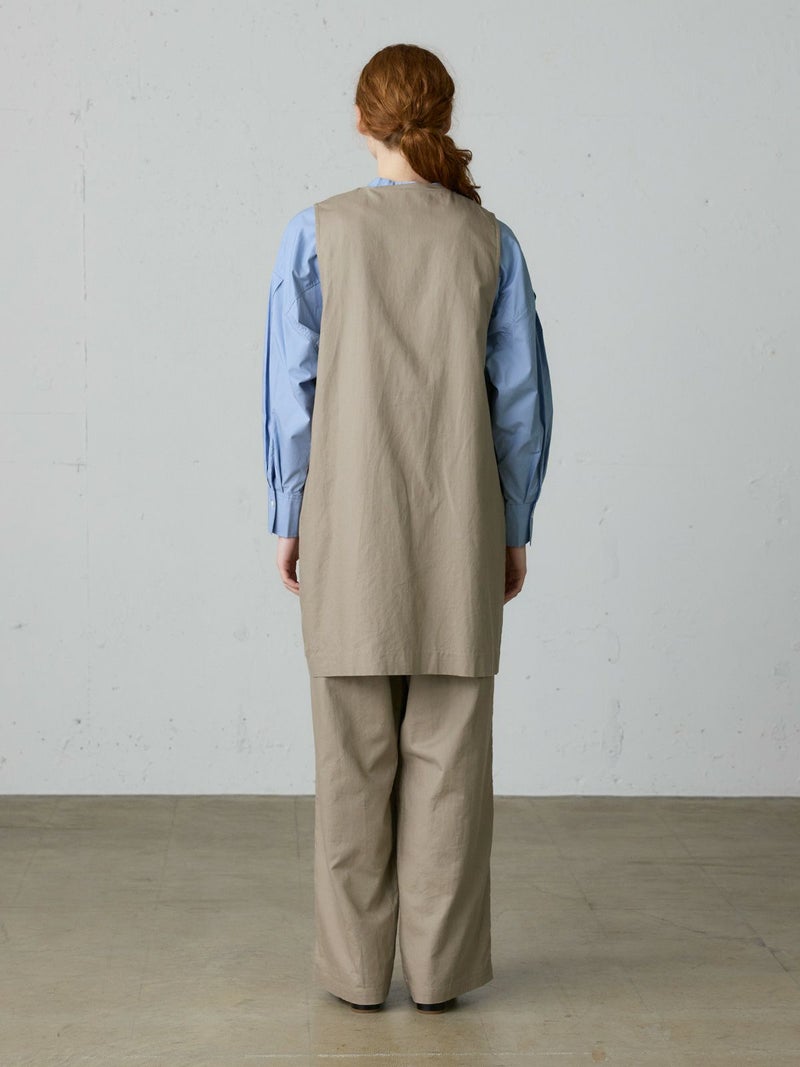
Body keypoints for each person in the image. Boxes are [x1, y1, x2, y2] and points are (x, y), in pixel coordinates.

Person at [262, 43, 553, 1015]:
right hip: (458, 525)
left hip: (347, 524)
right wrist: (512, 523)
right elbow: (518, 404)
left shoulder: (317, 233)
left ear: (360, 120)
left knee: (350, 763)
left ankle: (354, 974)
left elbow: (291, 394)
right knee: (449, 763)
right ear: (443, 115)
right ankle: (438, 973)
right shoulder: (490, 241)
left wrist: (287, 512)